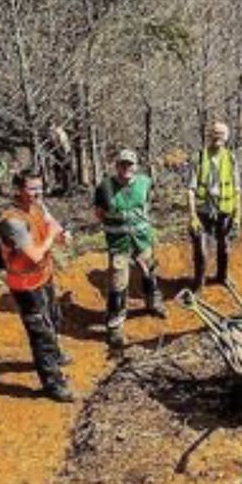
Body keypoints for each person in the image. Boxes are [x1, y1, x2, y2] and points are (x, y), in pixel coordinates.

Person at [0, 169, 74, 402]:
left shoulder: (38, 207)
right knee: (41, 334)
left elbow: (52, 224)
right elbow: (34, 256)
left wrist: (61, 235)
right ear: (18, 190)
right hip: (25, 286)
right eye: (32, 189)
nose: (38, 193)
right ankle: (53, 384)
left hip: (44, 277)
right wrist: (51, 237)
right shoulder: (12, 222)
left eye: (39, 187)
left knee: (54, 318)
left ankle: (56, 355)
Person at [93, 148, 165, 350]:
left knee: (149, 271)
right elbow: (99, 213)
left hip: (142, 238)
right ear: (117, 166)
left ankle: (152, 303)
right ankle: (115, 325)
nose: (126, 168)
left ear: (136, 166)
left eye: (130, 164)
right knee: (118, 282)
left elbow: (148, 202)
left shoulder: (145, 182)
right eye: (122, 164)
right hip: (119, 241)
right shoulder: (105, 187)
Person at [187, 121, 241, 290]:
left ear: (226, 137)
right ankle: (199, 281)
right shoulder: (199, 157)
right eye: (214, 133)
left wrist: (238, 214)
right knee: (201, 249)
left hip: (224, 209)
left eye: (221, 133)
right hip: (203, 210)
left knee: (224, 247)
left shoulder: (230, 158)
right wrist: (192, 216)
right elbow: (190, 189)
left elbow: (237, 189)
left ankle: (222, 277)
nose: (218, 137)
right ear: (209, 135)